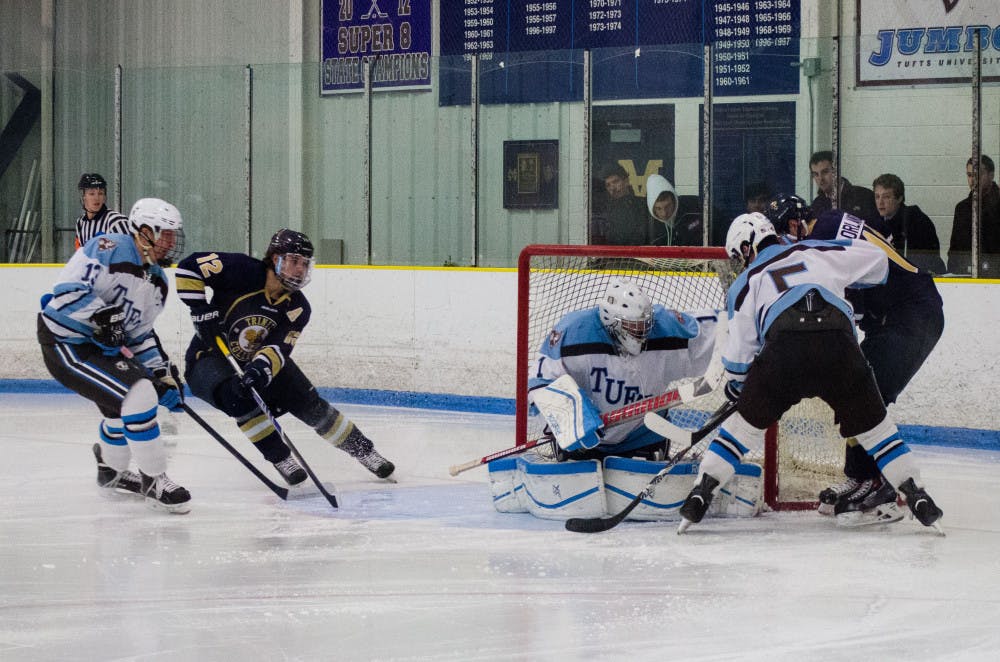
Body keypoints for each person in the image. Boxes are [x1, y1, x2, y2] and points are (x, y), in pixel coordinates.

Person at [676, 213, 943, 533]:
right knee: (876, 427)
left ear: (747, 247)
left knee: (741, 429)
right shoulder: (817, 250)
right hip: (837, 342)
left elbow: (737, 360)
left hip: (785, 350)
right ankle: (916, 494)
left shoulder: (745, 283)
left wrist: (740, 388)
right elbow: (877, 260)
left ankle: (701, 492)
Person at [766, 194, 944, 525]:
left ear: (794, 225)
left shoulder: (818, 244)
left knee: (864, 393)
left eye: (782, 236)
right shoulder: (833, 220)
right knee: (856, 389)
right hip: (905, 310)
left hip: (910, 315)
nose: (784, 245)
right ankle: (861, 477)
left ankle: (884, 489)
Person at [176, 228, 396, 486]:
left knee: (310, 404)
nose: (300, 270)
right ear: (274, 258)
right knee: (238, 399)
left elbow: (279, 348)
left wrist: (260, 370)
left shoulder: (298, 307)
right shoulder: (241, 269)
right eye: (294, 261)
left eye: (304, 264)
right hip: (208, 357)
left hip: (255, 360)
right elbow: (188, 267)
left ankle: (365, 452)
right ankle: (281, 458)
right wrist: (201, 309)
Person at [37, 198, 190, 512]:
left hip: (98, 347)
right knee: (139, 394)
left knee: (122, 407)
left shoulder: (158, 282)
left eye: (174, 235)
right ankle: (154, 479)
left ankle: (110, 470)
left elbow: (139, 336)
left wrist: (161, 373)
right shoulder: (109, 246)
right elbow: (66, 289)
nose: (171, 242)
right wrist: (102, 316)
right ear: (143, 230)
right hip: (65, 341)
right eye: (165, 233)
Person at [528, 277, 720, 459]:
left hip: (644, 436)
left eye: (644, 325)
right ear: (611, 321)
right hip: (585, 443)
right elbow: (540, 381)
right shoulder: (573, 332)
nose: (641, 332)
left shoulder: (666, 328)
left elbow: (722, 328)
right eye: (632, 326)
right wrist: (570, 419)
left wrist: (744, 343)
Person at [872, 173, 946, 274]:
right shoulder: (874, 222)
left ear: (899, 198)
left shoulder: (916, 220)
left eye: (886, 197)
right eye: (877, 197)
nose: (880, 202)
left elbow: (925, 260)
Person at [947, 154, 1000, 276]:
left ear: (991, 175)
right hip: (965, 278)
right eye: (970, 175)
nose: (973, 180)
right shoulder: (962, 208)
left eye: (978, 175)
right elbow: (954, 250)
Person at [808, 150, 879, 224]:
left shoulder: (864, 196)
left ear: (837, 170)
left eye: (825, 172)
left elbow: (880, 231)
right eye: (816, 174)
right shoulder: (816, 206)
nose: (820, 178)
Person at [598, 163, 656, 245]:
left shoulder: (643, 204)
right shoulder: (606, 210)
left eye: (615, 181)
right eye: (608, 185)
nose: (613, 188)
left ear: (626, 181)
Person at [74, 173, 130, 250]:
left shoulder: (116, 221)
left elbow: (128, 252)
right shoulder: (80, 223)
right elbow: (81, 254)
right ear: (83, 197)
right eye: (91, 194)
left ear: (104, 196)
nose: (97, 198)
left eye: (100, 193)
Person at [645, 174, 704, 246]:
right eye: (658, 208)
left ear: (674, 200)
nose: (664, 213)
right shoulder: (649, 227)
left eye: (668, 206)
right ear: (652, 208)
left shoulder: (696, 207)